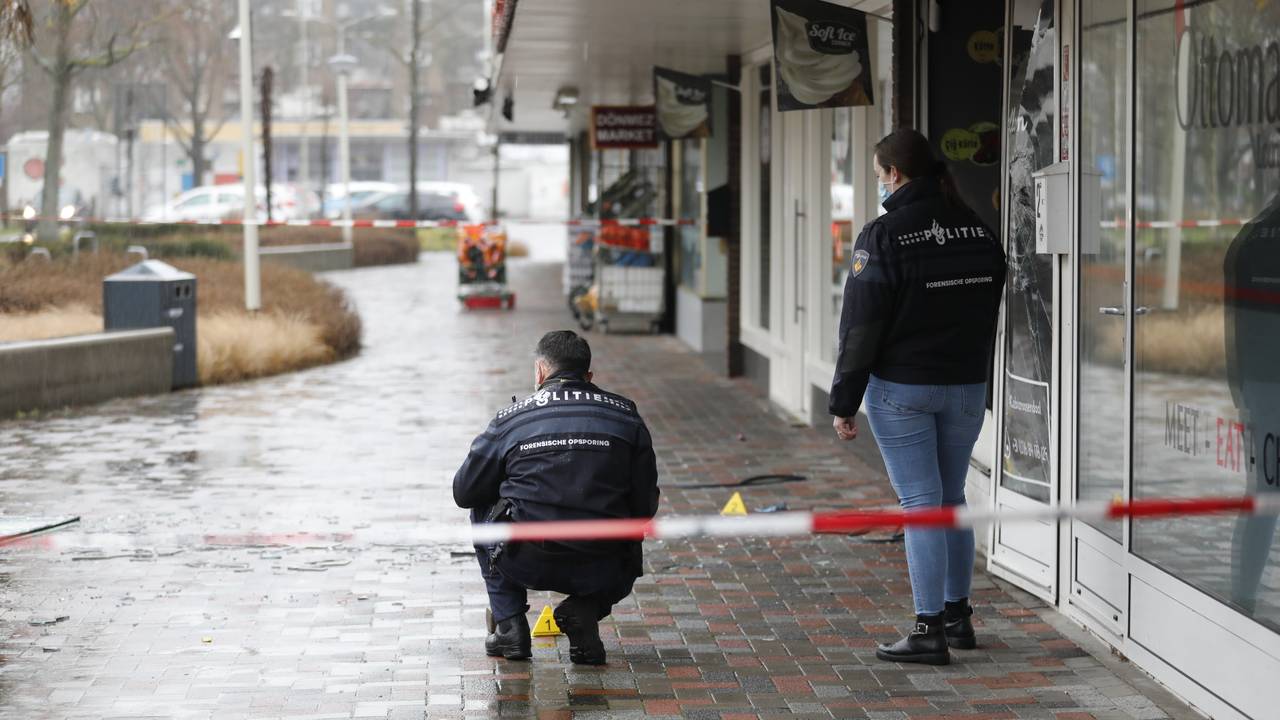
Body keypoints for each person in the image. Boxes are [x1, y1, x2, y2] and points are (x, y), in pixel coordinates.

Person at [829, 128, 1006, 666]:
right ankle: (958, 618)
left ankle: (928, 630)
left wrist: (844, 400)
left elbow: (861, 325)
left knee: (921, 506)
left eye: (880, 172)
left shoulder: (884, 235)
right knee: (951, 500)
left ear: (893, 174)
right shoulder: (977, 228)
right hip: (967, 386)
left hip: (903, 389)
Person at [453, 330, 660, 665]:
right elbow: (645, 505)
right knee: (634, 524)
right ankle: (584, 609)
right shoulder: (625, 416)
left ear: (539, 372)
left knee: (481, 506)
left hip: (526, 557)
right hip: (603, 562)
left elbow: (464, 492)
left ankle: (509, 626)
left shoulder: (511, 419)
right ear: (589, 376)